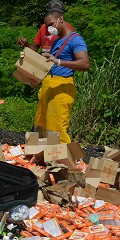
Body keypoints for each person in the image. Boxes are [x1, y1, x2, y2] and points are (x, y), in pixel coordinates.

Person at [33, 10, 89, 143]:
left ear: (61, 19)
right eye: (47, 26)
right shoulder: (56, 41)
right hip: (48, 85)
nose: (49, 28)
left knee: (56, 129)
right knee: (40, 125)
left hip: (62, 88)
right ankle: (41, 156)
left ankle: (62, 160)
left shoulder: (76, 40)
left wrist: (59, 62)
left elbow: (85, 63)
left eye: (51, 24)